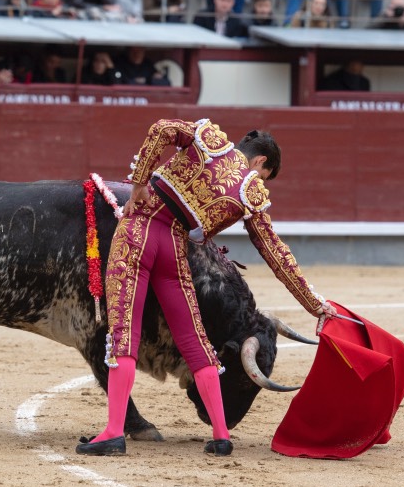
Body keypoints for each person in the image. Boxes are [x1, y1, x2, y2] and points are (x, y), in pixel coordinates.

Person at [76, 123, 335, 457]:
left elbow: (162, 129)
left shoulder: (208, 139)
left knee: (125, 331)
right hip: (175, 248)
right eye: (265, 176)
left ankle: (113, 432)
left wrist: (140, 182)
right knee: (195, 341)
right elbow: (276, 253)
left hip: (138, 231)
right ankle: (221, 434)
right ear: (260, 163)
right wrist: (315, 304)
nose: (260, 182)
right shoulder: (250, 194)